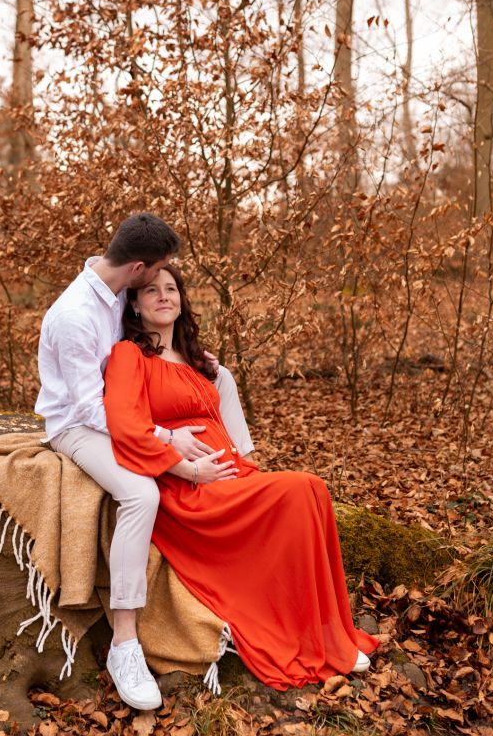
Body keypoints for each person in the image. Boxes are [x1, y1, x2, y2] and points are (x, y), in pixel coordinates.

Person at [103, 264, 380, 690]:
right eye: (151, 290)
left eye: (171, 288)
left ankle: (327, 636)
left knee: (311, 492)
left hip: (230, 477)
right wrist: (189, 468)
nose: (163, 296)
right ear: (134, 305)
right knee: (303, 488)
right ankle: (311, 640)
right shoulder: (129, 355)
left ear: (182, 300)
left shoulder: (197, 360)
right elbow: (125, 426)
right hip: (187, 490)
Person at [35, 214, 255, 710]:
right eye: (155, 273)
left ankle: (244, 469)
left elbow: (144, 352)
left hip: (127, 409)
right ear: (136, 269)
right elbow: (93, 408)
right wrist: (167, 439)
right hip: (79, 426)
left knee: (220, 377)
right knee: (141, 493)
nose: (161, 284)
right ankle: (125, 644)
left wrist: (192, 364)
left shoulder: (111, 284)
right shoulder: (75, 316)